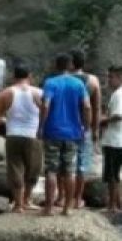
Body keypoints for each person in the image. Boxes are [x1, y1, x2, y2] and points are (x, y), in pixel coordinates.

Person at [40, 54, 91, 217]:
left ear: (56, 66)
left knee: (51, 170)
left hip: (52, 131)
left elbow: (46, 105)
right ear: (70, 66)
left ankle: (49, 208)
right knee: (69, 171)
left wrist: (41, 126)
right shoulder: (78, 84)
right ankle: (67, 208)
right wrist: (85, 127)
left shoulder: (50, 83)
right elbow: (87, 107)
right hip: (73, 133)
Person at [0, 65, 42, 212]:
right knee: (33, 169)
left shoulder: (5, 94)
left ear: (14, 77)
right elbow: (47, 113)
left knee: (15, 168)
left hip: (13, 135)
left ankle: (18, 204)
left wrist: (5, 120)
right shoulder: (39, 93)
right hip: (34, 135)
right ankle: (27, 200)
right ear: (30, 76)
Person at [69, 49, 102, 209]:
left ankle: (64, 197)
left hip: (66, 126)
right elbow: (96, 108)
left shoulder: (63, 80)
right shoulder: (93, 81)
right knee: (82, 164)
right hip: (84, 127)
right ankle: (77, 199)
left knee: (66, 163)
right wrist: (95, 130)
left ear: (71, 63)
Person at [99, 65, 122, 214]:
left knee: (112, 175)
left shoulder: (120, 94)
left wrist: (102, 120)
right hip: (118, 140)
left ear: (120, 78)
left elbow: (119, 116)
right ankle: (119, 204)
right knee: (114, 174)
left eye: (111, 77)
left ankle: (112, 206)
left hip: (115, 141)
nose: (109, 80)